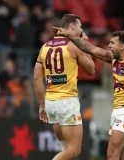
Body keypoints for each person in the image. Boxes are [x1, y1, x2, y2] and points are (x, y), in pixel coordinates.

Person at [55, 28, 124, 160]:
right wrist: (70, 36)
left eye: (112, 43)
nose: (109, 46)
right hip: (118, 111)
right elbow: (91, 49)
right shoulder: (113, 59)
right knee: (120, 156)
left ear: (122, 46)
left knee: (111, 153)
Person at [33, 14, 95, 160]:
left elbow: (36, 78)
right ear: (72, 26)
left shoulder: (44, 47)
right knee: (74, 150)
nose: (81, 30)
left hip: (50, 102)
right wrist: (83, 44)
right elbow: (91, 70)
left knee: (65, 148)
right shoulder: (74, 45)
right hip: (67, 102)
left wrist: (41, 105)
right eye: (80, 27)